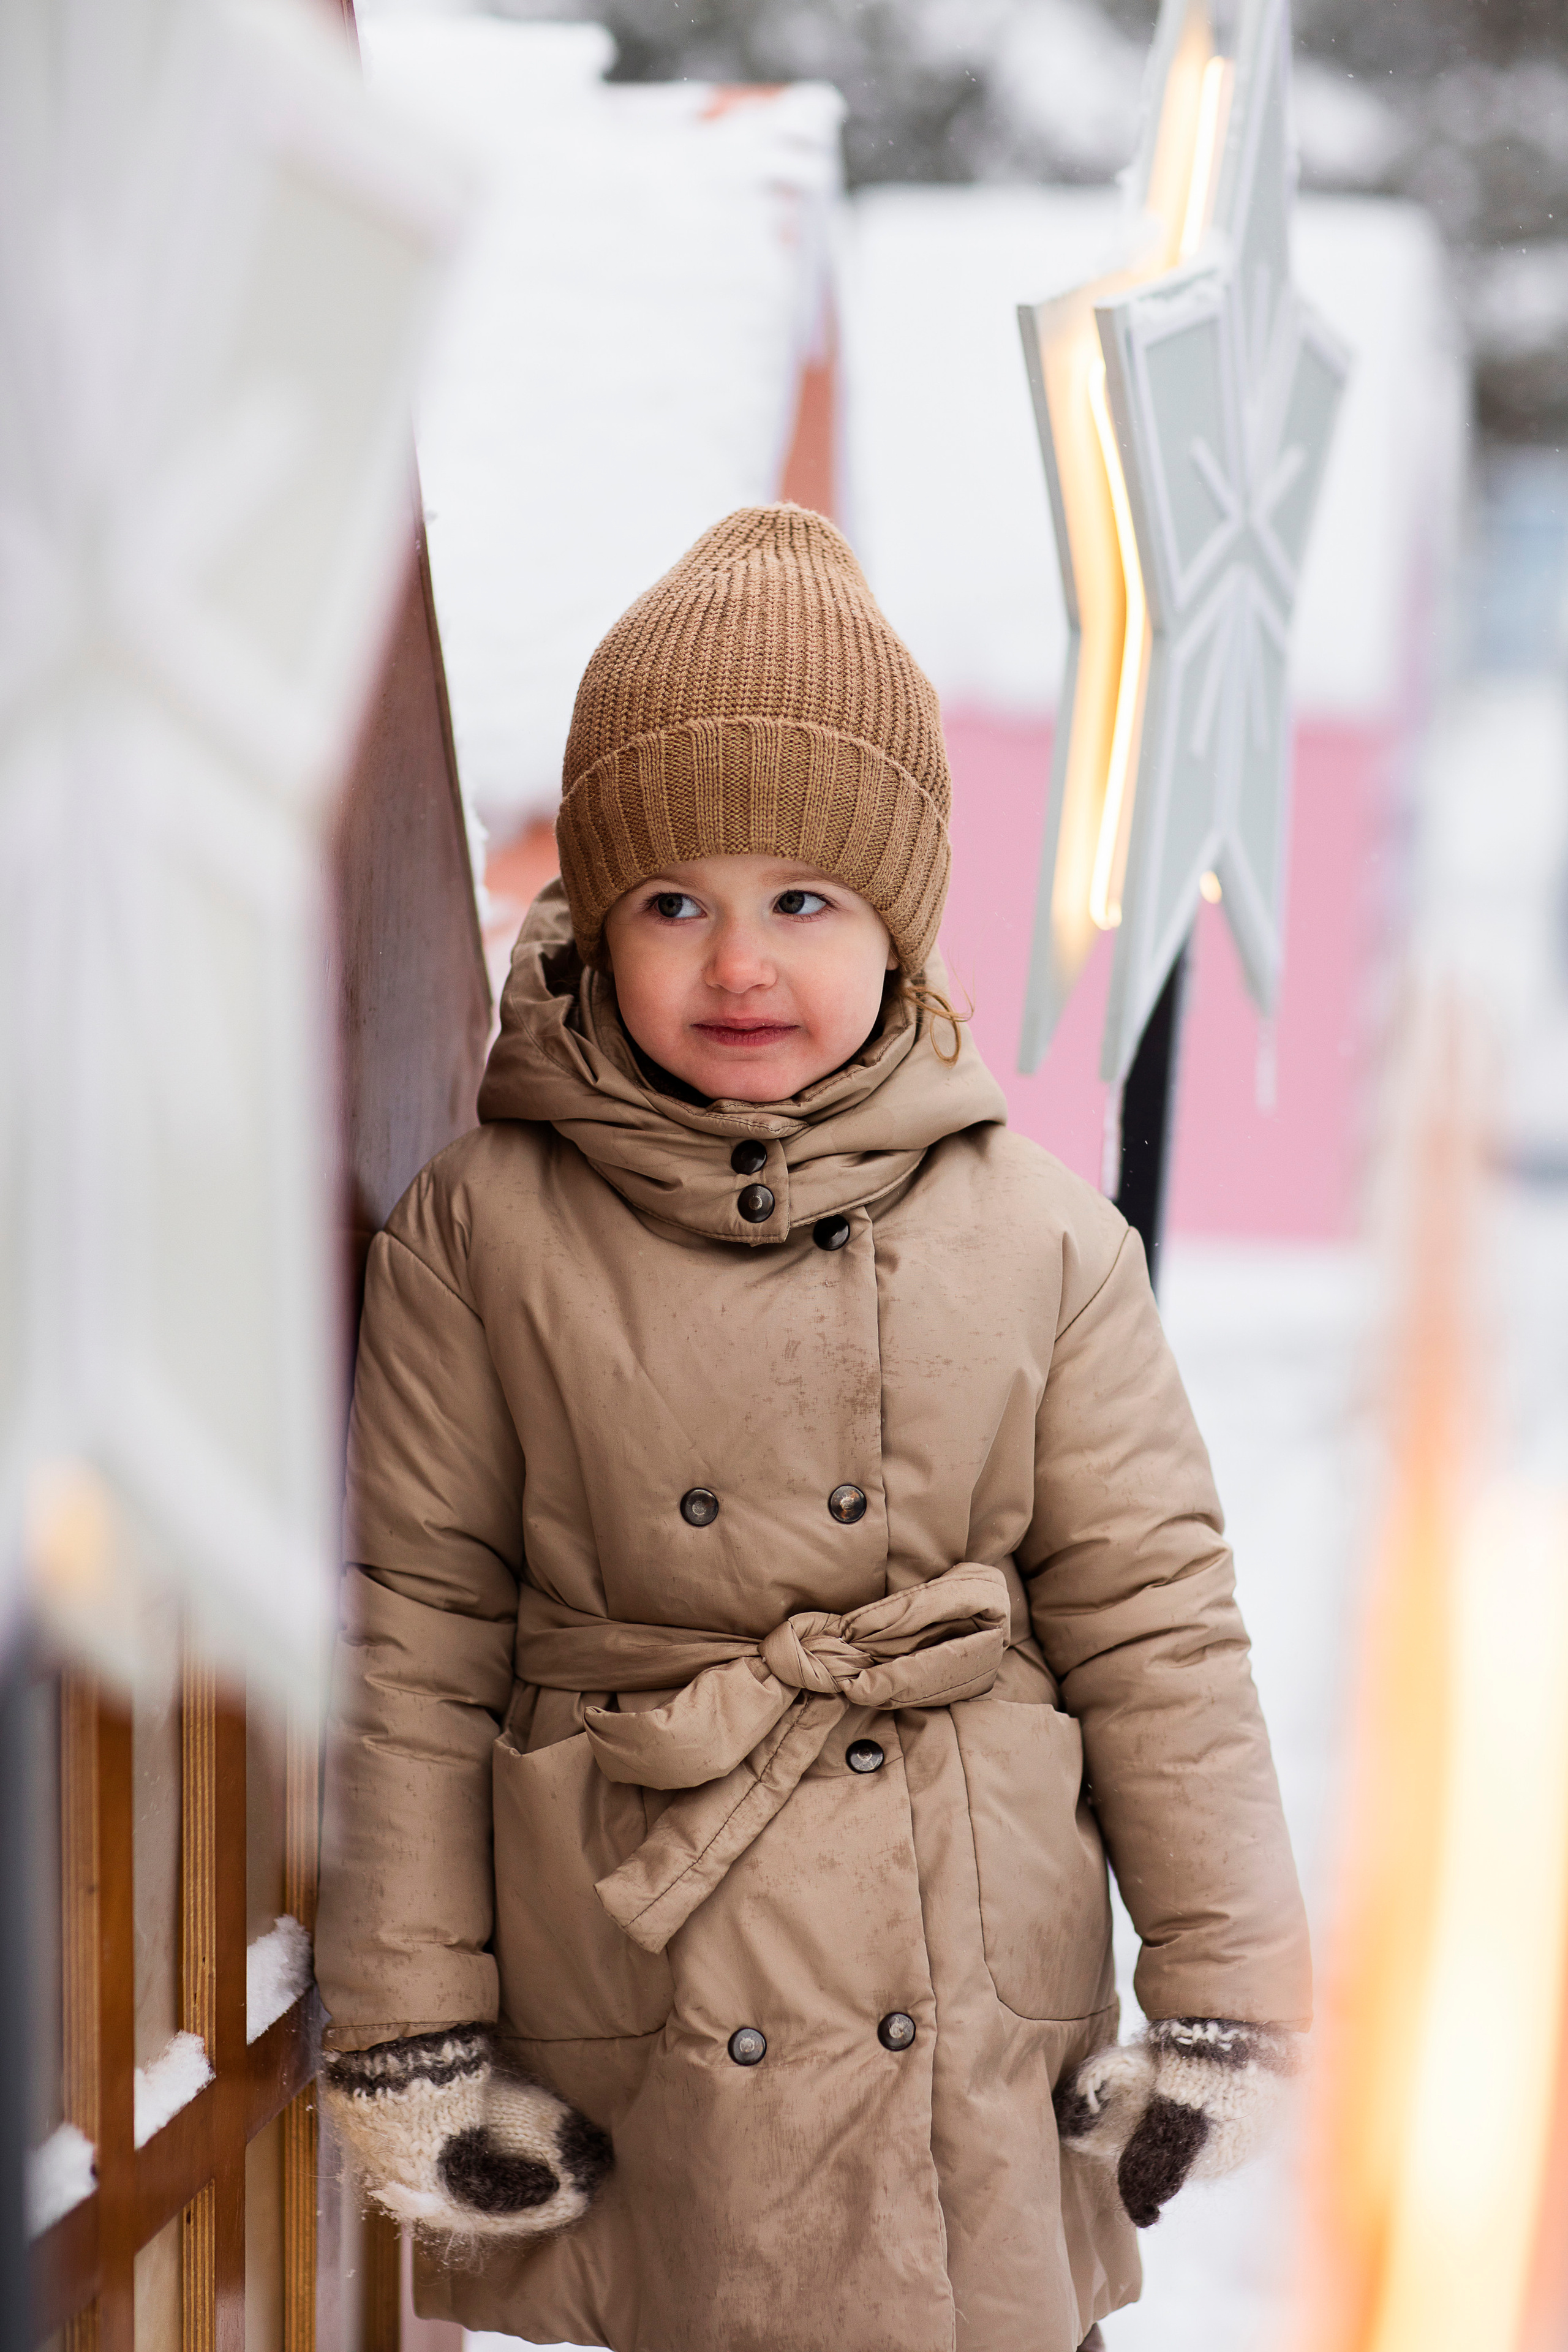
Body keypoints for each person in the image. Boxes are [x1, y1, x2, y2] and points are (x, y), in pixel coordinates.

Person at [314, 505, 1310, 2352]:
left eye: (805, 900)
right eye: (673, 901)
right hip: (656, 1952)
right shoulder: (488, 1228)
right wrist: (410, 2026)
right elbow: (418, 1639)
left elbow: (1158, 1626)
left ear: (898, 920)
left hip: (965, 1968)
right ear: (595, 919)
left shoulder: (1041, 1234)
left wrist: (1229, 1987)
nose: (739, 961)